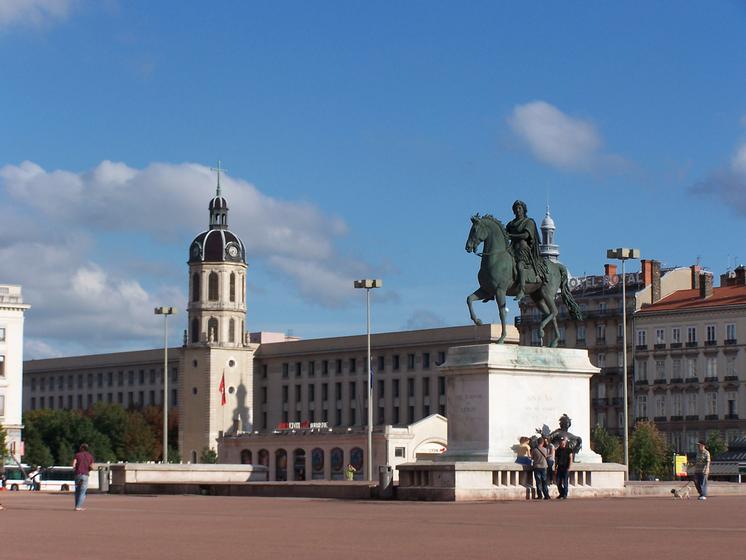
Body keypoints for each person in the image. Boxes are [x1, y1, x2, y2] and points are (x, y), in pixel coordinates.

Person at [505, 200, 548, 300]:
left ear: (524, 209)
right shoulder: (511, 224)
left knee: (520, 265)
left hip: (524, 250)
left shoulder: (529, 222)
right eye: (516, 208)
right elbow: (504, 234)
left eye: (520, 208)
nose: (518, 210)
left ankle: (522, 290)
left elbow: (526, 235)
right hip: (512, 249)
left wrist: (510, 235)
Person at [72, 443, 95, 511]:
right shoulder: (90, 456)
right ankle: (78, 507)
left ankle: (76, 506)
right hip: (85, 475)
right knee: (83, 491)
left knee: (77, 491)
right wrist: (89, 470)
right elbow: (91, 466)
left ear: (82, 448)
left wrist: (75, 469)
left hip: (78, 475)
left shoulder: (77, 455)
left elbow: (74, 464)